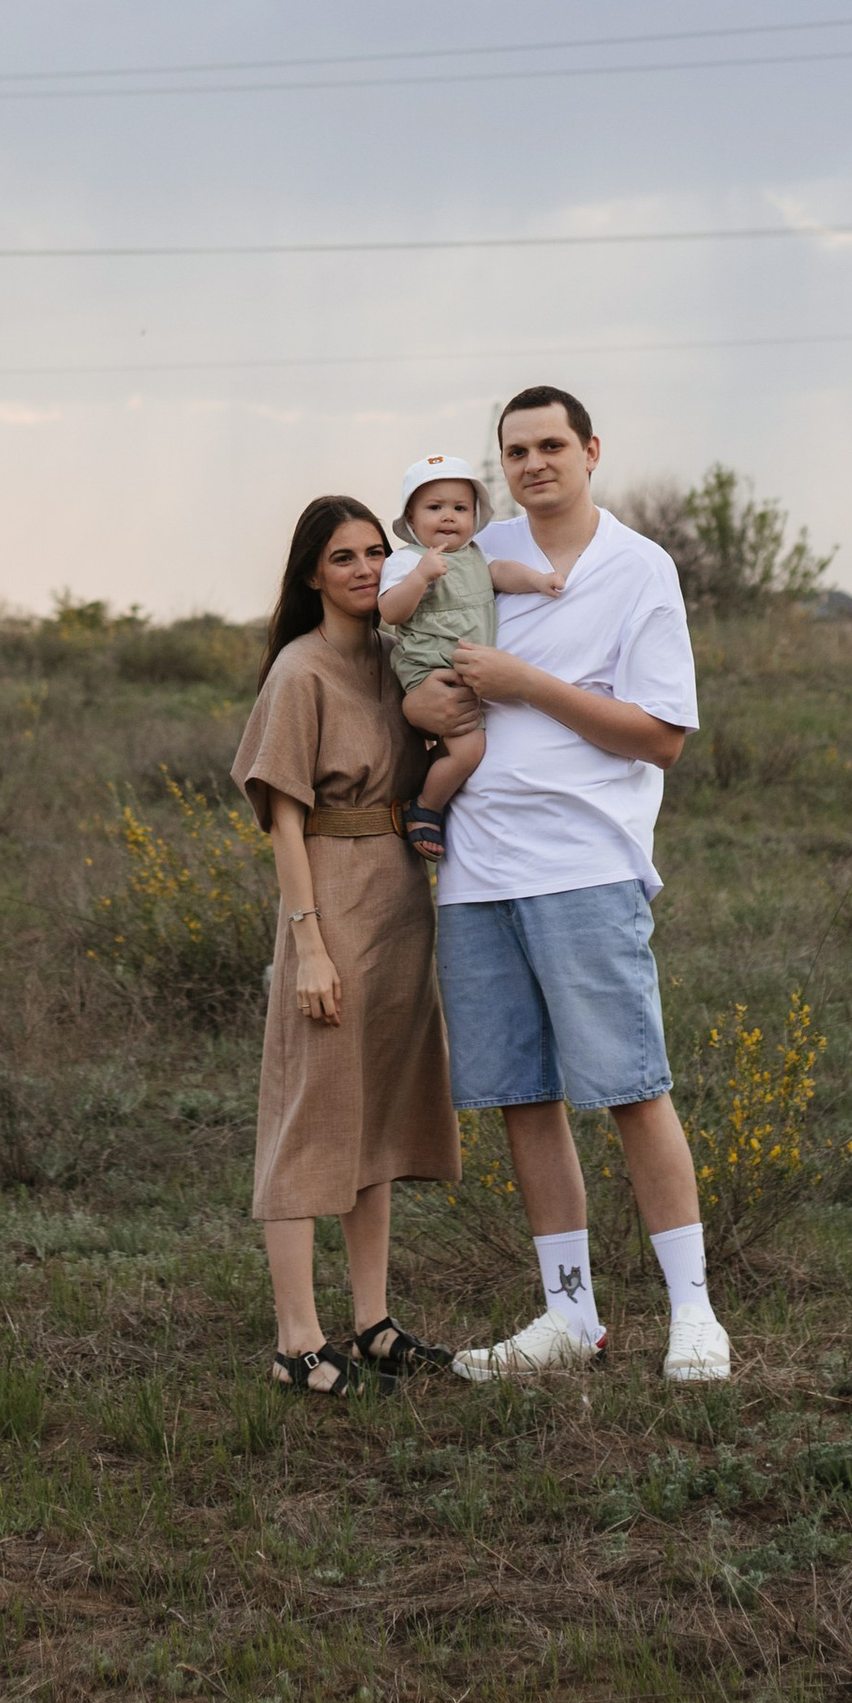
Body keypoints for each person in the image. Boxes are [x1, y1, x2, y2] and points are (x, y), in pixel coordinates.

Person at [401, 384, 731, 1384]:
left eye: (552, 445)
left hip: (583, 865)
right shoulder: (475, 558)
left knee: (632, 1088)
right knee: (521, 1096)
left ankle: (694, 1316)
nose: (534, 463)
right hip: (471, 869)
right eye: (516, 450)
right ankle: (568, 1319)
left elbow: (662, 736)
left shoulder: (638, 570)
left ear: (591, 451)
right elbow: (413, 663)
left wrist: (528, 686)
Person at [232, 494, 462, 1395]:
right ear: (309, 575)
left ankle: (371, 1323)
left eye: (376, 553)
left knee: (376, 1116)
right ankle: (297, 1340)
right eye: (344, 558)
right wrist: (309, 944)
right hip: (328, 893)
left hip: (401, 897)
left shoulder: (396, 657)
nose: (367, 570)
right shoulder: (301, 670)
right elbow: (284, 819)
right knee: (309, 1116)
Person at [377, 448, 563, 864]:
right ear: (411, 520)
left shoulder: (477, 556)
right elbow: (390, 611)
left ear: (475, 517)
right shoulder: (406, 561)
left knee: (461, 743)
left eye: (460, 508)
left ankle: (420, 776)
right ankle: (426, 806)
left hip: (464, 672)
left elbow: (503, 574)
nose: (448, 517)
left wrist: (538, 579)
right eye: (435, 507)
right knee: (469, 749)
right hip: (427, 669)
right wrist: (420, 577)